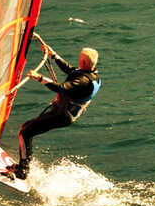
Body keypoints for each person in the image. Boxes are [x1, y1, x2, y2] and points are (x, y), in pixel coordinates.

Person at [6, 42, 101, 180]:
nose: (78, 61)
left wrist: (39, 78)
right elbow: (71, 70)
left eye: (80, 59)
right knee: (28, 130)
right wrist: (53, 55)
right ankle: (24, 166)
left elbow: (61, 88)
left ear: (84, 61)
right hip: (61, 112)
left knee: (24, 132)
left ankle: (22, 171)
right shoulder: (92, 74)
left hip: (62, 115)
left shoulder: (83, 81)